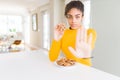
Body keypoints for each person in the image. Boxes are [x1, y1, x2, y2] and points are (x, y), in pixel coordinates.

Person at [49, 0, 97, 66]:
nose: (73, 21)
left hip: (85, 71)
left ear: (82, 17)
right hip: (68, 71)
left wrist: (85, 56)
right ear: (67, 17)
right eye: (70, 16)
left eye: (77, 17)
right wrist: (56, 40)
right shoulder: (63, 33)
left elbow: (87, 51)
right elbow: (52, 58)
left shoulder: (90, 33)